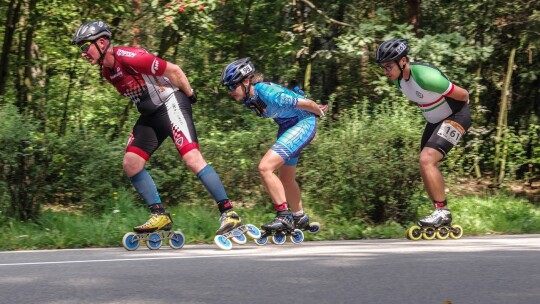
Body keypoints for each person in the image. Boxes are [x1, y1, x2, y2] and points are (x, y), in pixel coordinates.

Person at [71, 20, 242, 236]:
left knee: (191, 158)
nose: (83, 53)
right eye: (81, 49)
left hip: (171, 103)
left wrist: (190, 95)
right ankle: (159, 215)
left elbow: (175, 71)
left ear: (102, 42)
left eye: (85, 46)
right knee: (131, 163)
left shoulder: (130, 57)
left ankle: (229, 213)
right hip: (151, 115)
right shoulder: (107, 71)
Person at [220, 57, 327, 233]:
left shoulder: (269, 93)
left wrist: (319, 113)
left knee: (265, 167)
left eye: (232, 86)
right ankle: (299, 217)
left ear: (246, 81)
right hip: (287, 126)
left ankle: (283, 215)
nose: (230, 91)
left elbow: (307, 103)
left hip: (303, 123)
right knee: (285, 177)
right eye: (227, 87)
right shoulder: (249, 97)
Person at [375, 38, 472, 228]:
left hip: (456, 115)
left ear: (403, 61)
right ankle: (439, 211)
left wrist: (455, 123)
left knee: (427, 159)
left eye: (388, 66)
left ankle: (442, 213)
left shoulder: (426, 76)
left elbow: (464, 95)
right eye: (383, 67)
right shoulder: (399, 81)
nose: (386, 71)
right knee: (424, 163)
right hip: (435, 121)